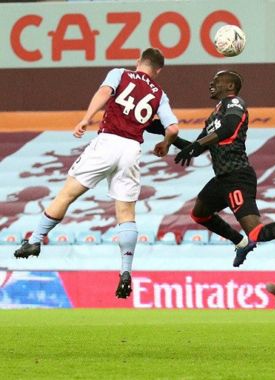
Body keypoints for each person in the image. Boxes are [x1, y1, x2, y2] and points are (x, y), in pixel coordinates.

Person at [14, 48, 180, 299]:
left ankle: (35, 240)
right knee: (126, 214)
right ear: (158, 71)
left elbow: (105, 93)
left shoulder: (120, 74)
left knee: (67, 194)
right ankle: (125, 271)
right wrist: (165, 145)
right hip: (132, 149)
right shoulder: (160, 94)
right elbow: (173, 127)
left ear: (138, 62)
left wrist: (86, 118)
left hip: (107, 141)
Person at [151, 70, 275, 267]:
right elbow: (197, 147)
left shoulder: (234, 103)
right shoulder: (212, 118)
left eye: (216, 81)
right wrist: (166, 134)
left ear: (229, 86)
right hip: (222, 179)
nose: (211, 84)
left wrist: (196, 145)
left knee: (257, 232)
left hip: (237, 176)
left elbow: (228, 128)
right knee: (199, 213)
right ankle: (241, 242)